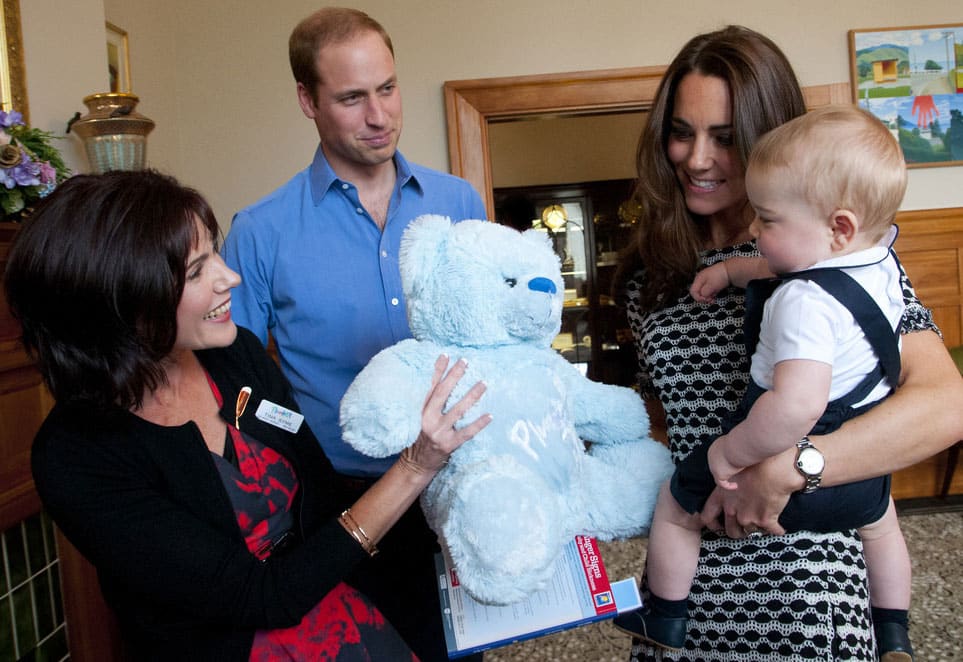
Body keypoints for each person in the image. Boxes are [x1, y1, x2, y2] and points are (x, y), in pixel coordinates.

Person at [4, 170, 490, 660]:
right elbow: (262, 597)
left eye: (213, 253)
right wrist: (414, 466)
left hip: (335, 605)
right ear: (123, 301)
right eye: (196, 271)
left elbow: (320, 497)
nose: (229, 277)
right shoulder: (76, 456)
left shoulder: (236, 355)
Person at [611, 25, 963, 661]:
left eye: (724, 137)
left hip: (803, 585)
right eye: (682, 132)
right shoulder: (648, 276)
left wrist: (794, 467)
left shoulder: (829, 260)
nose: (696, 158)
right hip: (693, 578)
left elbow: (946, 405)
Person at [219, 8, 487, 661]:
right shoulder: (260, 231)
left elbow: (492, 337)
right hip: (348, 503)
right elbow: (237, 384)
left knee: (466, 651)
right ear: (307, 101)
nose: (380, 115)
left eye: (388, 89)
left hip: (464, 479)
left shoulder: (458, 203)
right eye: (351, 98)